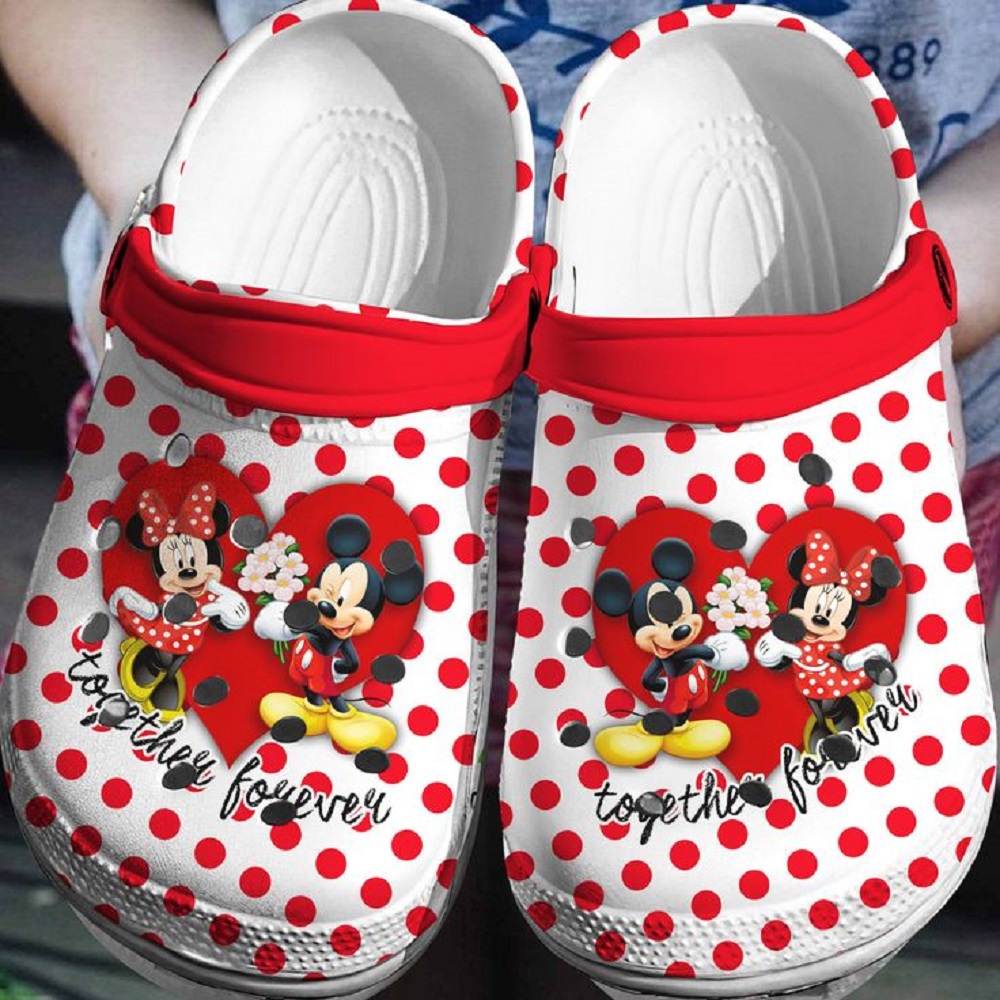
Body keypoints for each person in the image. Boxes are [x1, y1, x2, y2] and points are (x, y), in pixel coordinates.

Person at [2, 0, 999, 775]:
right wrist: (168, 181)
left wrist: (926, 297)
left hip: (844, 435)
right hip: (249, 382)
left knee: (669, 912)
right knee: (325, 905)